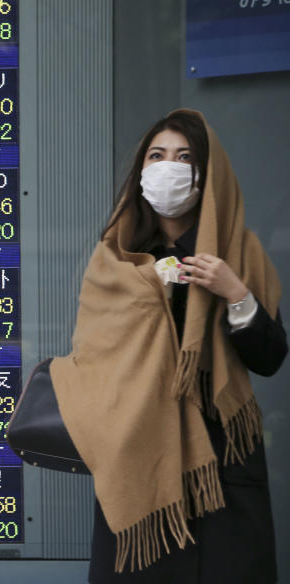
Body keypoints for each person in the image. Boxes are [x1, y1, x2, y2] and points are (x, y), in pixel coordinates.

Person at [49, 109, 287, 583]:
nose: (168, 167)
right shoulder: (114, 259)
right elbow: (92, 363)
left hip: (222, 467)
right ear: (141, 172)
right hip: (140, 459)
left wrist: (235, 293)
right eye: (157, 156)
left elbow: (270, 358)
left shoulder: (240, 252)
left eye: (185, 157)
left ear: (207, 173)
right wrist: (150, 291)